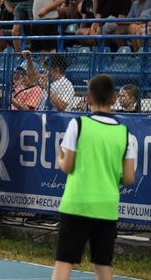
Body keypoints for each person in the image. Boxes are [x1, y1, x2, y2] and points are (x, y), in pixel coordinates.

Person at [51, 74, 135, 280]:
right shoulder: (125, 134)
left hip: (77, 203)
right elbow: (129, 178)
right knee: (103, 266)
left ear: (88, 99)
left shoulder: (78, 125)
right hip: (106, 207)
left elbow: (68, 166)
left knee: (64, 263)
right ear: (114, 99)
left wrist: (59, 158)